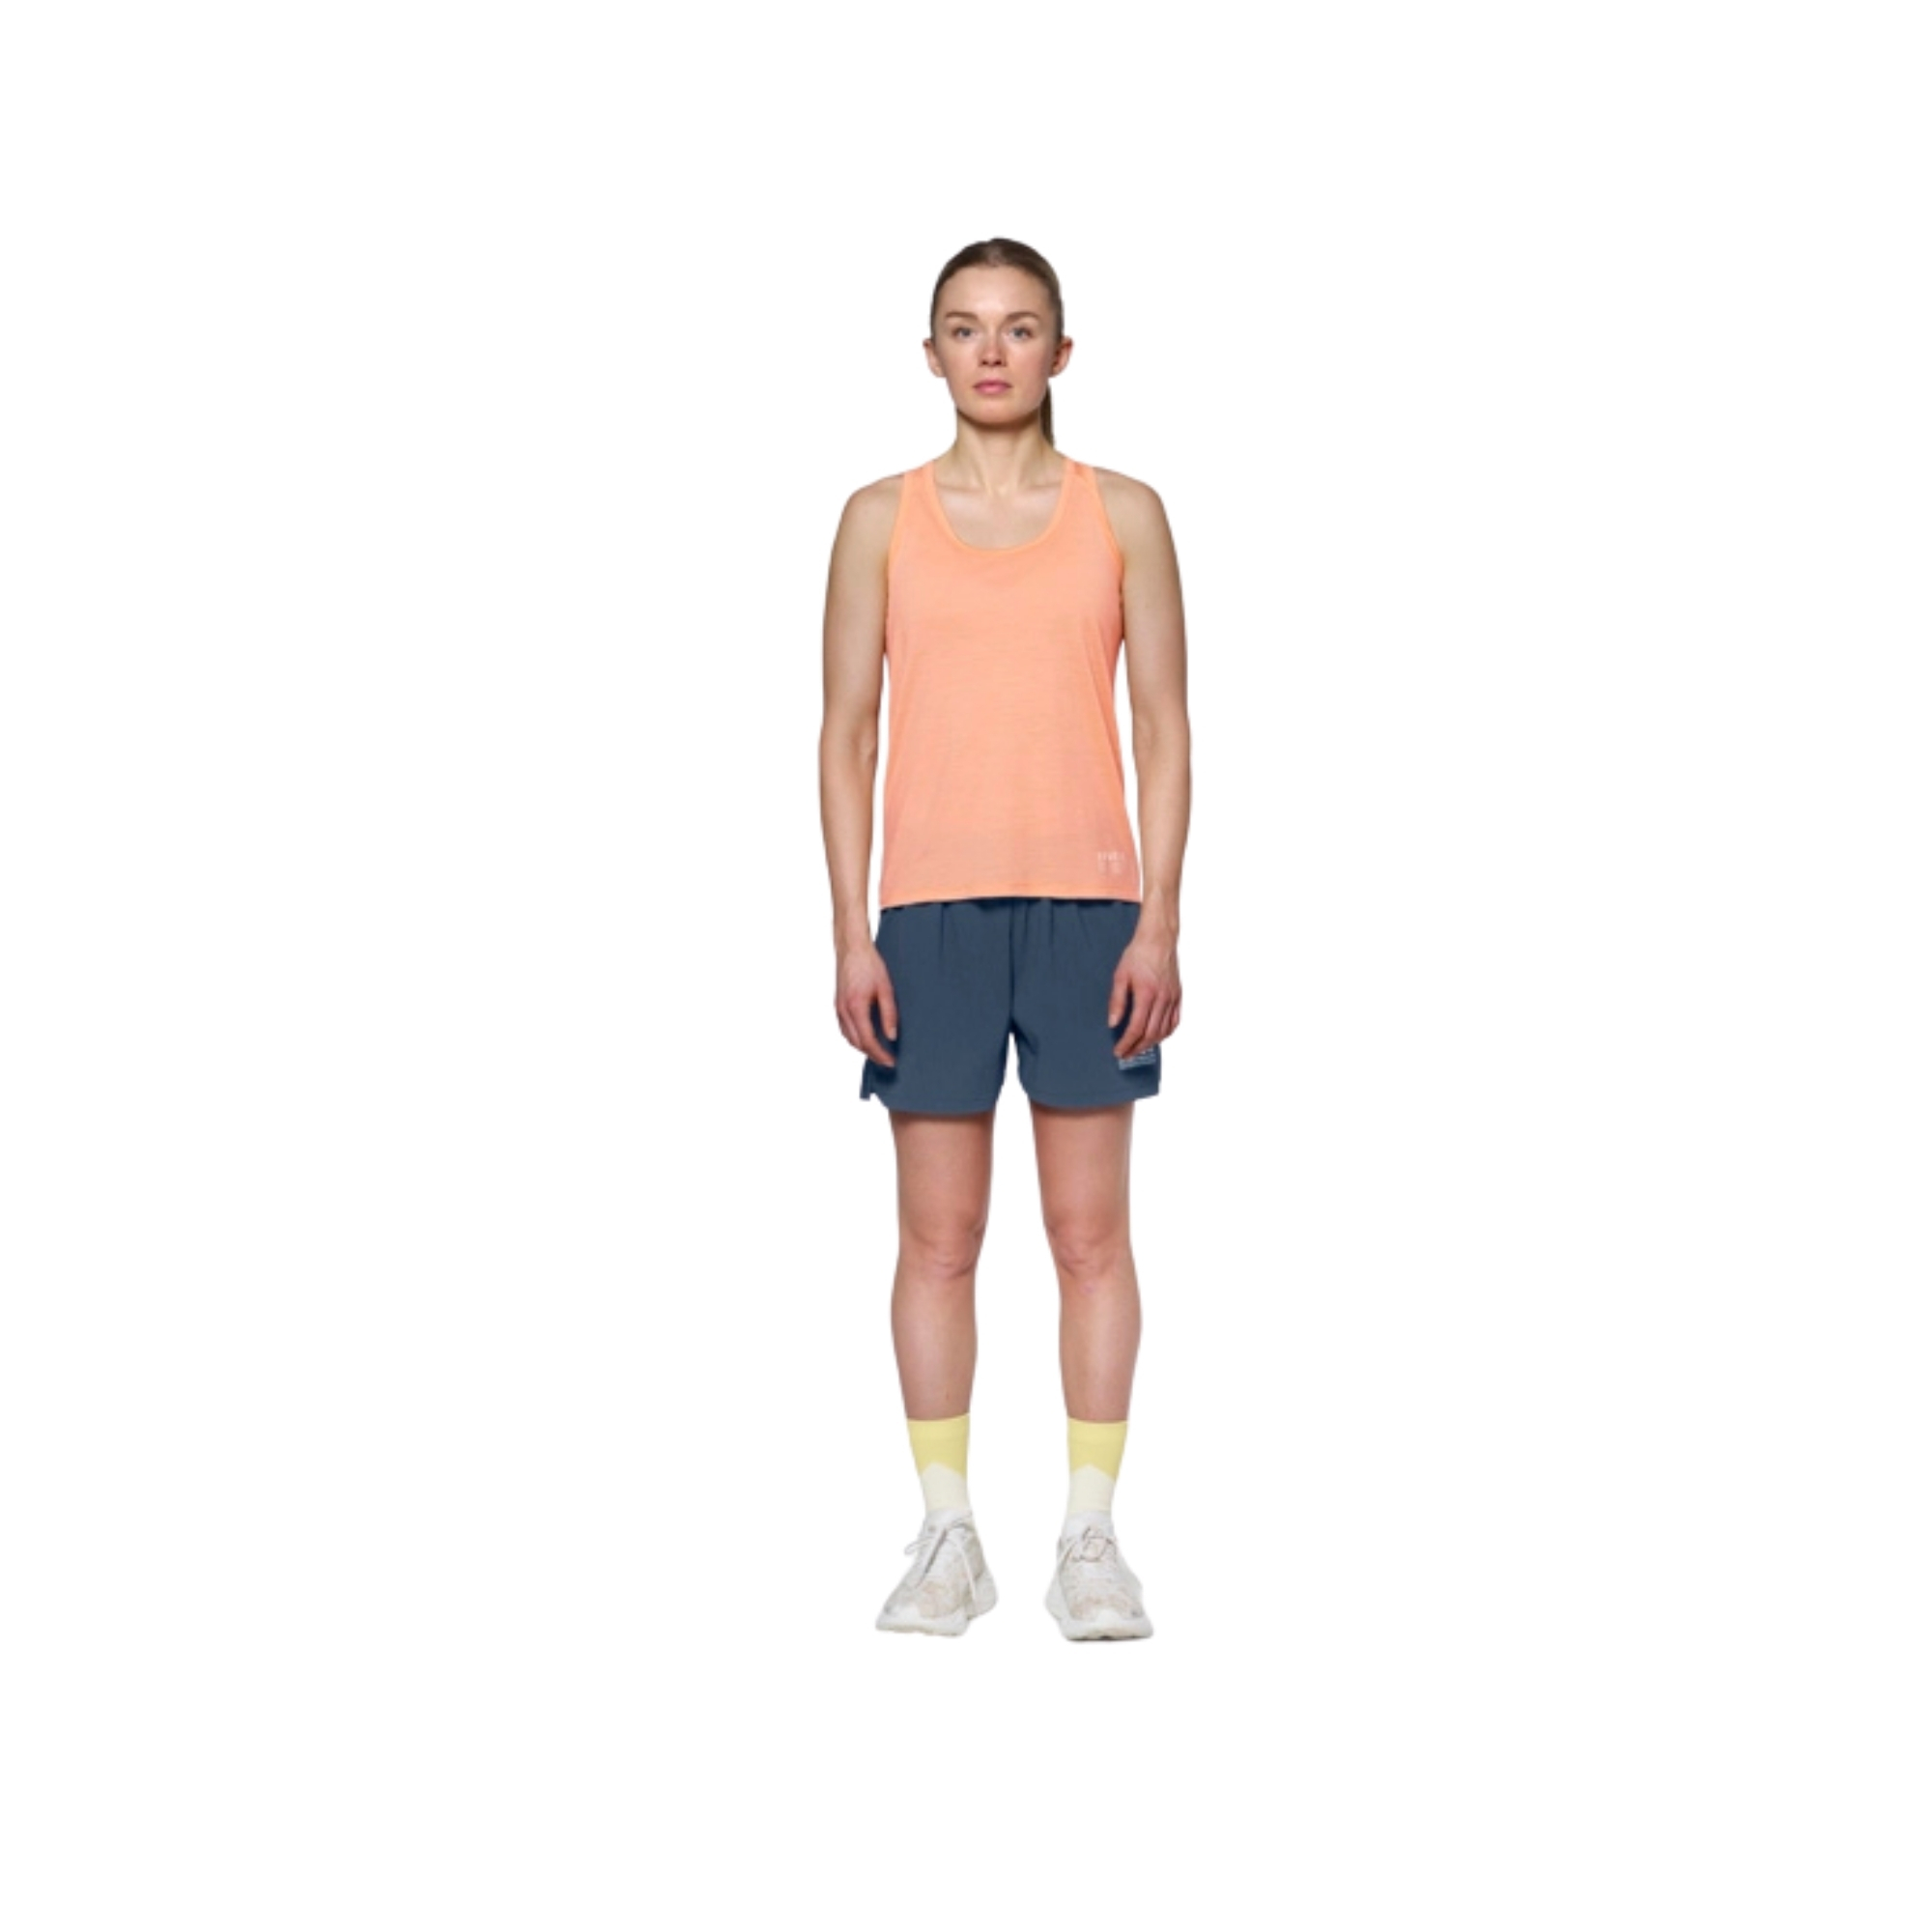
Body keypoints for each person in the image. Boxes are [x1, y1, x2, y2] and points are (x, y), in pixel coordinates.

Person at [819, 238, 1191, 1640]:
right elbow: (846, 733)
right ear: (931, 354)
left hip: (1091, 911)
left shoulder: (1124, 514)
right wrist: (850, 931)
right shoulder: (878, 519)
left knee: (1091, 1235)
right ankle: (946, 1533)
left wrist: (1160, 918)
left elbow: (1164, 728)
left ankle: (1090, 1538)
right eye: (966, 328)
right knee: (940, 1237)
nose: (992, 351)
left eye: (1020, 327)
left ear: (1060, 351)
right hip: (929, 915)